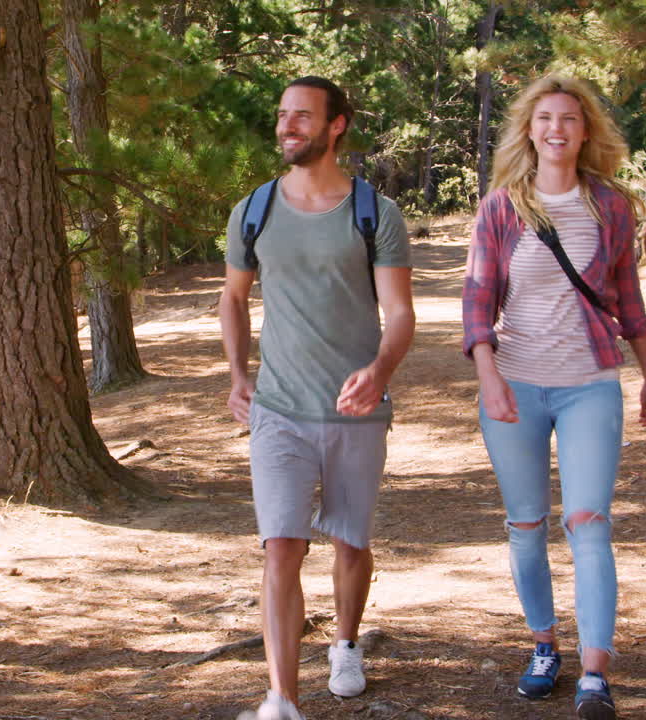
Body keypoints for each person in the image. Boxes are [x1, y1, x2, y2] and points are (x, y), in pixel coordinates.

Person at [461, 74, 646, 720]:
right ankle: (544, 646)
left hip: (590, 385)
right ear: (530, 129)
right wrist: (488, 375)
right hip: (516, 384)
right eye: (545, 117)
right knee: (526, 526)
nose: (556, 129)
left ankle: (596, 674)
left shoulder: (612, 206)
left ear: (585, 131)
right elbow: (477, 304)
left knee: (588, 522)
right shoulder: (501, 208)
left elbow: (629, 302)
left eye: (569, 119)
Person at [219, 76, 415, 720]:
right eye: (281, 115)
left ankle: (346, 642)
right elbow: (232, 297)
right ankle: (281, 699)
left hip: (356, 412)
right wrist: (238, 376)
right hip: (277, 409)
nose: (287, 126)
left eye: (302, 116)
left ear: (337, 126)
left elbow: (400, 312)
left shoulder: (373, 213)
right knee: (281, 545)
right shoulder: (254, 209)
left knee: (351, 543)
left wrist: (381, 370)